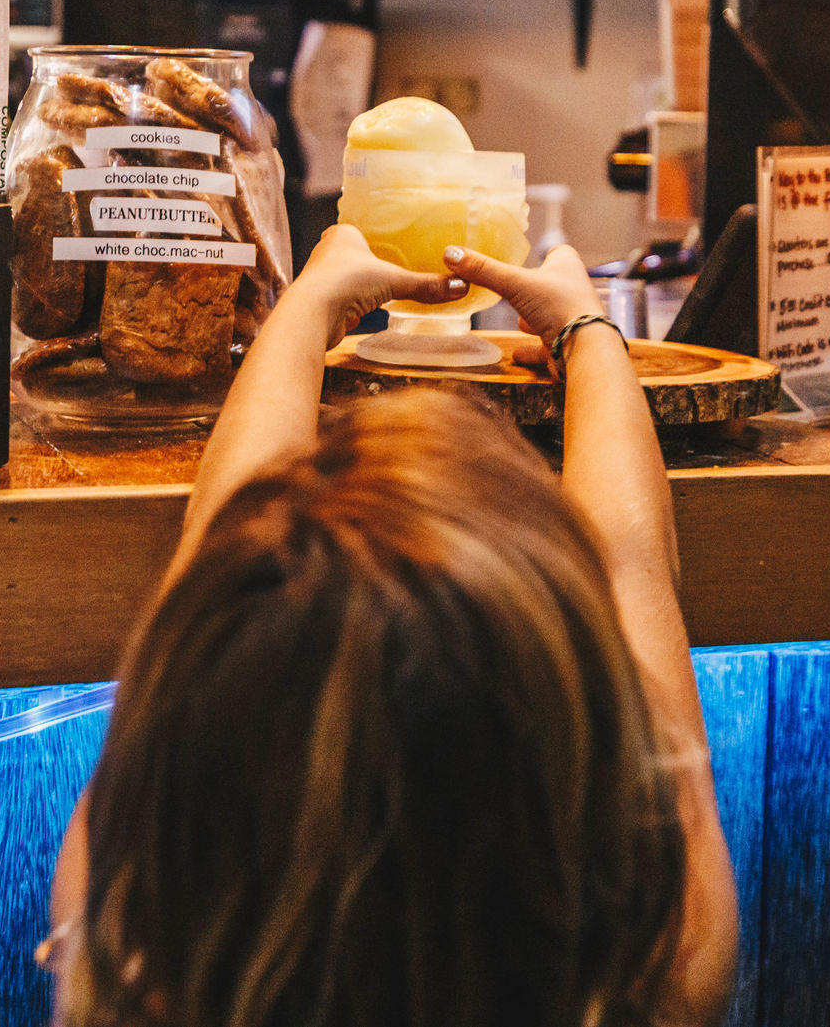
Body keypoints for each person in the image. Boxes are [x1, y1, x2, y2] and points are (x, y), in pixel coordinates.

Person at [45, 225, 738, 1027]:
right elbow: (629, 564)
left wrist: (310, 305)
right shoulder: (666, 964)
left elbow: (215, 548)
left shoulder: (132, 938)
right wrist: (586, 332)